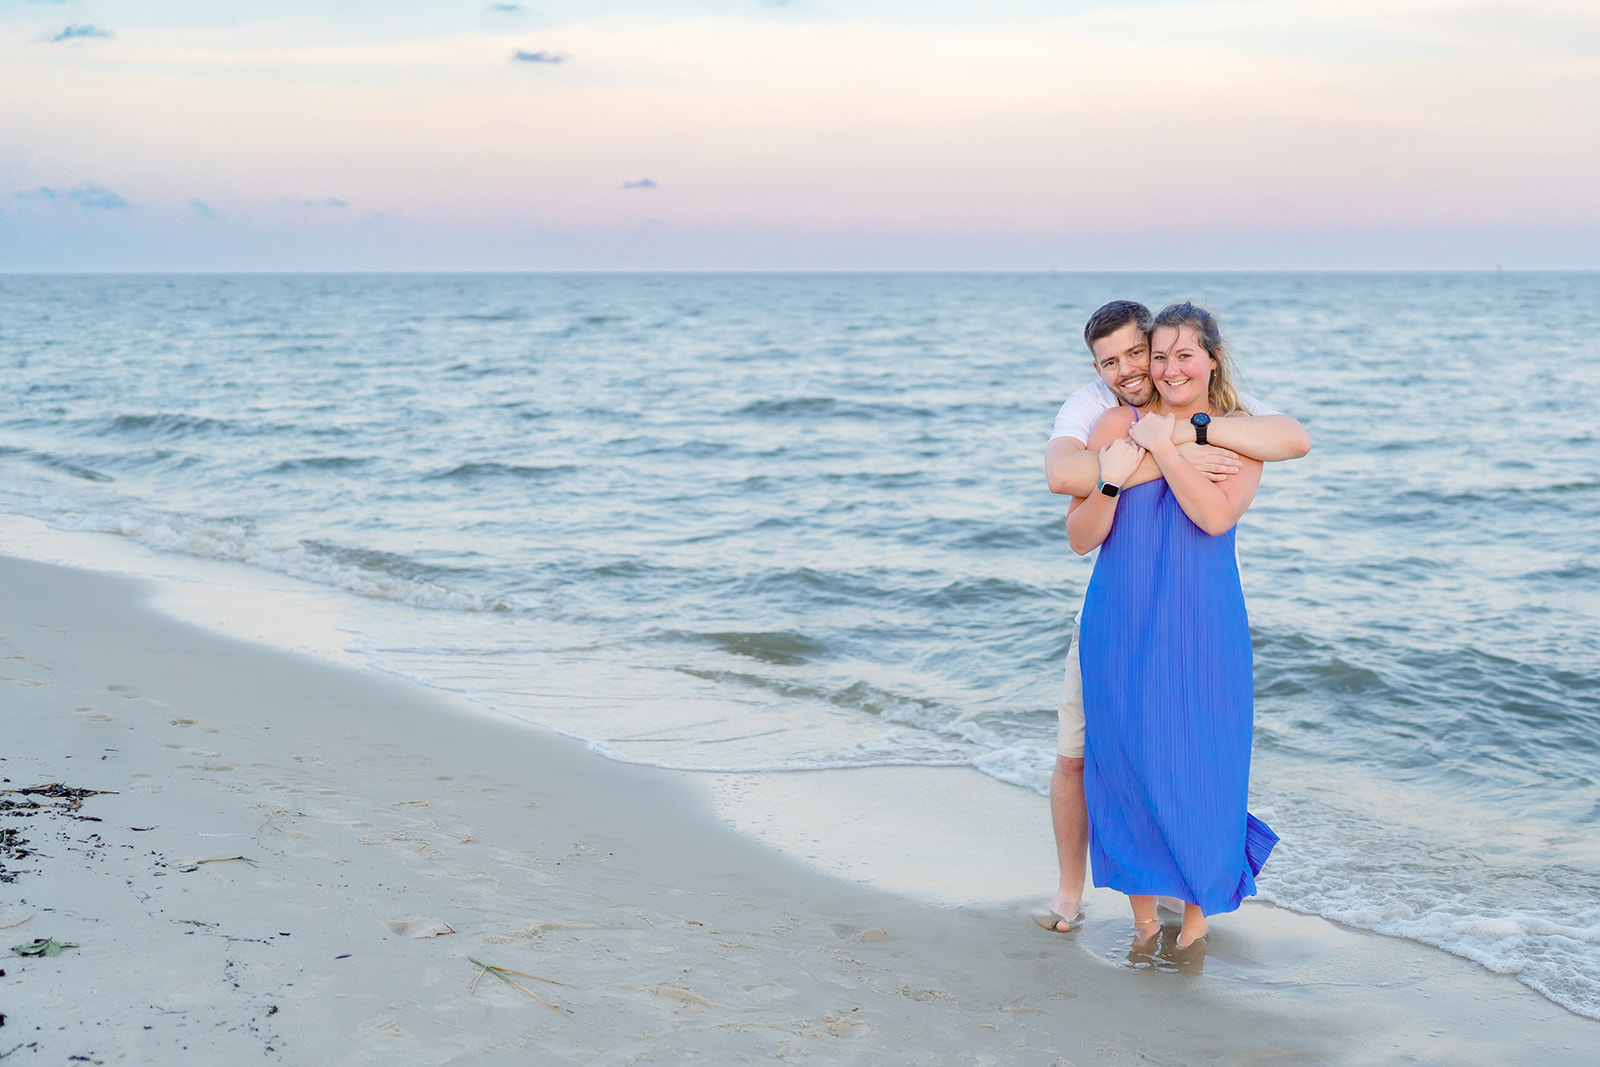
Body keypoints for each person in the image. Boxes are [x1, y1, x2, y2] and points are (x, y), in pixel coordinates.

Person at [1036, 300, 1308, 935]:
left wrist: (1170, 443)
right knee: (1124, 759)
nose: (1164, 367)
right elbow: (1079, 533)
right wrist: (1120, 472)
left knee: (1202, 762)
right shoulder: (1109, 422)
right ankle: (1141, 924)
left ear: (1211, 358)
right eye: (1157, 356)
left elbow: (1214, 518)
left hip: (1201, 621)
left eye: (1182, 354)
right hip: (1118, 618)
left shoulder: (1238, 431)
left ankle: (1195, 922)